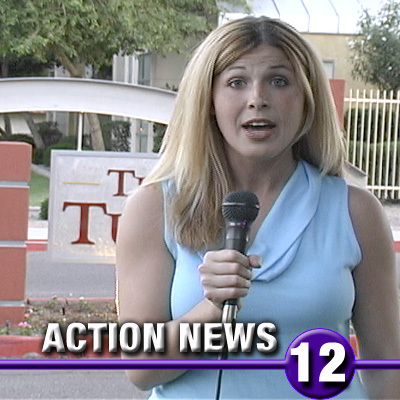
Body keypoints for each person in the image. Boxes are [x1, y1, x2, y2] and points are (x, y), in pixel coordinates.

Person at [116, 16, 400, 399]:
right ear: (209, 101)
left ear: (307, 99)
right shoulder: (154, 208)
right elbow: (141, 369)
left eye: (279, 81)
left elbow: (385, 361)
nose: (257, 98)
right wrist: (213, 309)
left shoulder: (356, 212)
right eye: (236, 82)